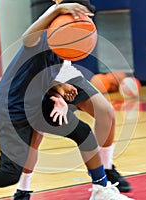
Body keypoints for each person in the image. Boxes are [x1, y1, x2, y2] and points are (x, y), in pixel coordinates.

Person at [0, 1, 133, 200]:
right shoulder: (42, 38)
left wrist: (58, 90)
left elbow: (42, 74)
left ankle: (101, 190)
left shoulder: (62, 48)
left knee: (83, 133)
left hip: (37, 102)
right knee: (8, 174)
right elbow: (27, 37)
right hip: (11, 108)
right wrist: (57, 10)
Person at [13, 60, 132, 200]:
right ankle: (23, 190)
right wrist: (57, 95)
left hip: (67, 74)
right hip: (43, 79)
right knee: (36, 135)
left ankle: (106, 170)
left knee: (106, 112)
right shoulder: (38, 43)